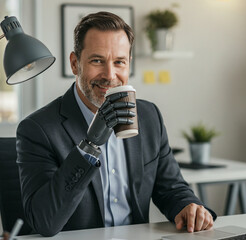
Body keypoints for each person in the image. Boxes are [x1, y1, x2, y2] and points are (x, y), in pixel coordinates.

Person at [16, 11, 217, 237]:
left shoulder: (149, 116)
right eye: (97, 61)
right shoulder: (38, 129)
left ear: (129, 64)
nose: (110, 75)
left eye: (119, 62)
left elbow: (171, 188)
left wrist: (188, 207)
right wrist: (91, 144)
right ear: (75, 64)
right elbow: (44, 222)